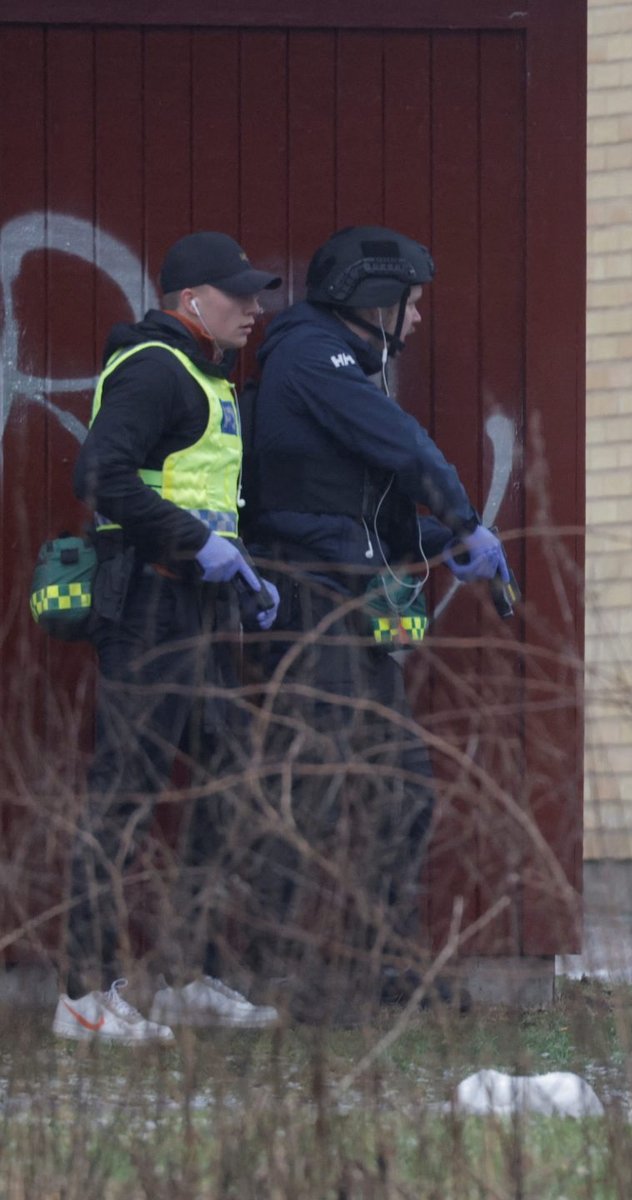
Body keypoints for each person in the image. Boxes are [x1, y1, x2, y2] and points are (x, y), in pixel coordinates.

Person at [243, 225, 507, 1020]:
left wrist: (439, 543)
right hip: (309, 600)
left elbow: (368, 511)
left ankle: (388, 969)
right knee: (313, 783)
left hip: (348, 595)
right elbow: (402, 449)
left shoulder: (344, 369)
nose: (419, 319)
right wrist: (462, 516)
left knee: (399, 787)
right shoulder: (309, 356)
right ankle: (254, 970)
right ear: (373, 302)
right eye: (412, 304)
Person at [58, 232, 284, 1042]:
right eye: (240, 295)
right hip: (149, 607)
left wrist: (243, 573)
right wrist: (197, 546)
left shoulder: (206, 377)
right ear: (191, 301)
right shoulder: (157, 369)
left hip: (199, 609)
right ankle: (83, 999)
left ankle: (192, 974)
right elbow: (100, 477)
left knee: (227, 784)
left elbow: (200, 495)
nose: (255, 309)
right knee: (123, 796)